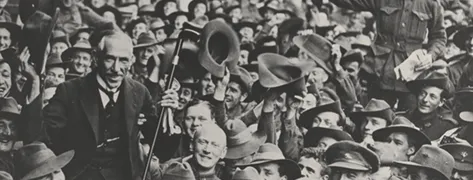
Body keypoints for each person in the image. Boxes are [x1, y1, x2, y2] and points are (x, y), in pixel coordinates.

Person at [39, 30, 179, 180]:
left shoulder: (139, 92)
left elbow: (162, 150)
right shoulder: (69, 90)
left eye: (123, 60)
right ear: (96, 58)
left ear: (132, 60)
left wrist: (169, 115)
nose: (116, 69)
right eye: (110, 59)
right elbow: (46, 136)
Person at [329, 0, 446, 111]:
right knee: (374, 113)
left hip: (411, 75)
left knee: (407, 119)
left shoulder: (431, 3)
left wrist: (431, 56)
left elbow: (439, 37)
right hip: (379, 71)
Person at [401, 71, 456, 140]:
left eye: (432, 97)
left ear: (441, 102)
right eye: (422, 94)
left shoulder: (445, 128)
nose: (425, 100)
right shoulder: (402, 118)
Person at [160, 123, 227, 180]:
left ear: (223, 152)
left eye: (215, 145)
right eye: (202, 142)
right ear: (191, 145)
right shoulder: (169, 169)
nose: (207, 150)